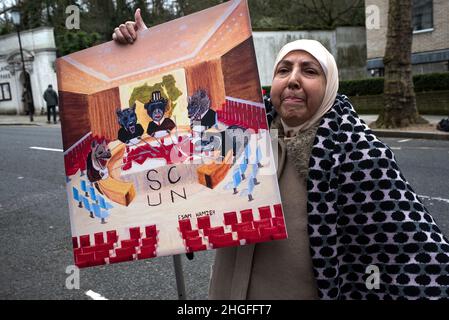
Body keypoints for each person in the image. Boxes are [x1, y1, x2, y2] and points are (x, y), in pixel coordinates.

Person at [113, 11, 449, 300]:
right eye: (284, 70)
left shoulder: (356, 154)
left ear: (330, 86)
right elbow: (180, 168)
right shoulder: (239, 138)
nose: (293, 80)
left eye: (310, 71)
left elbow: (418, 259)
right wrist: (146, 55)